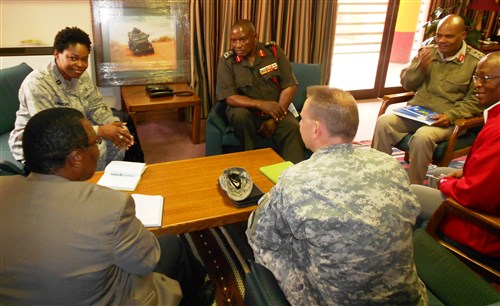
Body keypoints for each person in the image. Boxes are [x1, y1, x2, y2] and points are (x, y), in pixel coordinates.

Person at [0, 108, 214, 305]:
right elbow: (147, 262)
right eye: (96, 142)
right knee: (171, 244)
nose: (99, 147)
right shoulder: (110, 206)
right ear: (76, 158)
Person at [246, 86, 427, 305]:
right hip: (406, 300)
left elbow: (260, 236)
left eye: (302, 118)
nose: (299, 122)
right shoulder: (390, 164)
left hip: (333, 301)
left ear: (315, 129)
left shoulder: (296, 179)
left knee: (268, 242)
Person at [8, 26, 143, 171]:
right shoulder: (37, 84)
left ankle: (106, 181)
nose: (80, 65)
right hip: (41, 143)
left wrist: (113, 126)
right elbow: (49, 130)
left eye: (84, 59)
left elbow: (96, 105)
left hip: (75, 128)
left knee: (118, 136)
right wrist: (99, 131)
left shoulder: (81, 75)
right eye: (73, 58)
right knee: (92, 149)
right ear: (57, 54)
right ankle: (87, 186)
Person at [411, 51, 500, 269]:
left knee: (411, 193)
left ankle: (417, 258)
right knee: (438, 173)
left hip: (483, 228)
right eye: (476, 78)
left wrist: (447, 184)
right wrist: (462, 173)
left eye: (485, 78)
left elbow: (475, 194)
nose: (477, 84)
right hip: (484, 202)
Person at [372, 14, 484, 184]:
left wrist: (451, 115)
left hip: (446, 120)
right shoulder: (427, 52)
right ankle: (379, 176)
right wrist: (420, 68)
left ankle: (413, 186)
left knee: (423, 137)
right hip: (417, 113)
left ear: (463, 34)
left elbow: (476, 100)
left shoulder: (476, 62)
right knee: (384, 121)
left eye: (449, 36)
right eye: (439, 35)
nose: (442, 40)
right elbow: (408, 84)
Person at [216, 19, 305, 163]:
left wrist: (275, 119)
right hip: (247, 111)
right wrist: (261, 104)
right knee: (240, 115)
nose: (237, 45)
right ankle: (252, 160)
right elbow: (230, 97)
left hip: (276, 110)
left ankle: (292, 175)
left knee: (292, 127)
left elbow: (289, 86)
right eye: (233, 41)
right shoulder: (227, 61)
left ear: (255, 37)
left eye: (242, 39)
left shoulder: (273, 52)